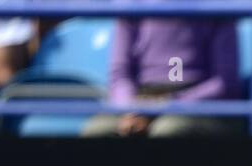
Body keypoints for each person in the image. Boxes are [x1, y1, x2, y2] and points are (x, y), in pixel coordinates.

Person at [83, 14, 240, 137]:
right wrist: (130, 109)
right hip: (140, 100)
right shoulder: (131, 6)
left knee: (169, 131)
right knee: (98, 130)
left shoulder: (216, 9)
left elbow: (224, 83)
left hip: (195, 103)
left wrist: (171, 104)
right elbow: (120, 74)